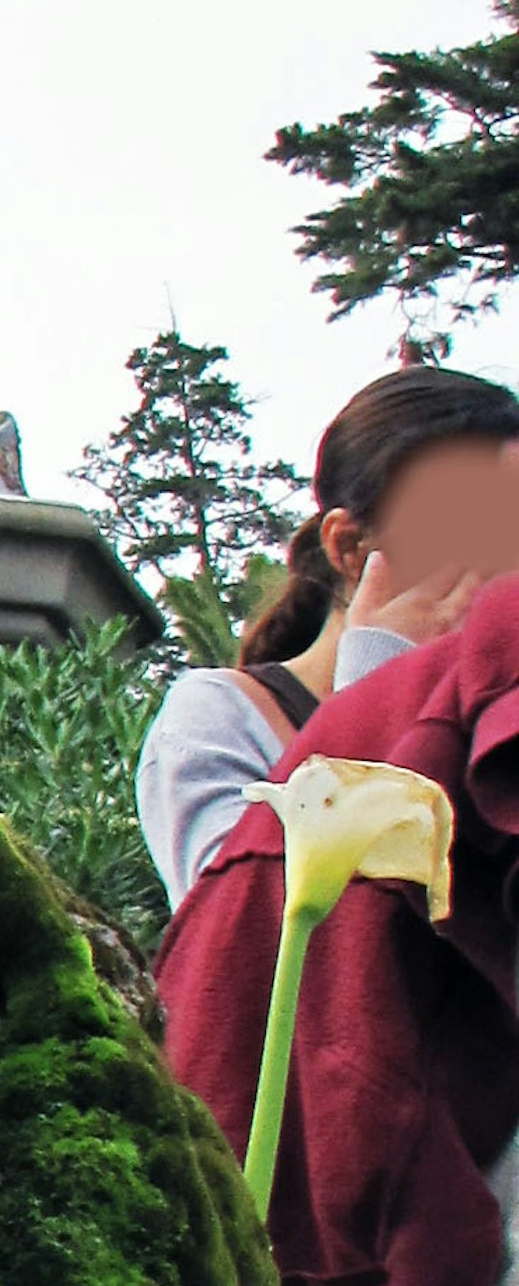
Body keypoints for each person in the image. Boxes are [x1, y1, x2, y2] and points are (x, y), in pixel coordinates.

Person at [136, 362, 519, 905]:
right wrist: (377, 689)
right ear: (349, 547)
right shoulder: (219, 719)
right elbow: (239, 941)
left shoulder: (497, 734)